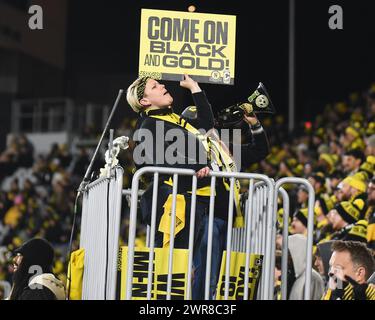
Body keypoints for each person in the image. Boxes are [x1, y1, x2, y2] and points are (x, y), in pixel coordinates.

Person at [182, 105, 269, 299]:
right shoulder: (185, 150)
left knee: (219, 275)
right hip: (204, 220)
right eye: (201, 126)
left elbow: (260, 150)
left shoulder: (224, 149)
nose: (209, 129)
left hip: (227, 219)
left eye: (209, 125)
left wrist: (254, 124)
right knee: (206, 274)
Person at [127, 74, 214, 249]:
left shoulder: (172, 119)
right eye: (154, 87)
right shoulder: (148, 124)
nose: (162, 86)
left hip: (187, 197)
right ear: (144, 101)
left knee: (182, 263)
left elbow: (206, 124)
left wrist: (194, 88)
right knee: (171, 261)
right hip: (171, 201)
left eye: (159, 83)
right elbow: (161, 159)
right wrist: (196, 165)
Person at [286, 234, 325, 300]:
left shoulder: (312, 278)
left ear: (298, 253)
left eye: (289, 254)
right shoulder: (293, 276)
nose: (286, 257)